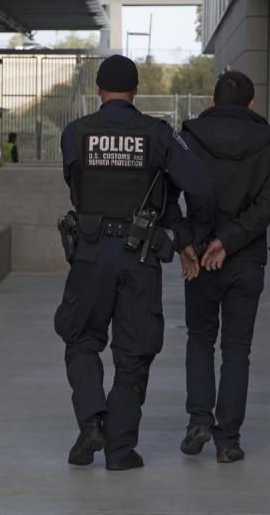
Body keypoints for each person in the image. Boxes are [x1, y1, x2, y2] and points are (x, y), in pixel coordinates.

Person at [54, 55, 214, 471]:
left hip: (89, 254)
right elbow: (198, 183)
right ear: (136, 90)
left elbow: (76, 186)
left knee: (81, 338)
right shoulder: (157, 134)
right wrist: (183, 237)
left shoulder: (75, 133)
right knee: (134, 352)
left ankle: (92, 421)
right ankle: (121, 452)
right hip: (139, 254)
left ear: (99, 90)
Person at [177, 71, 270, 463]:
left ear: (214, 100)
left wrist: (193, 241)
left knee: (200, 339)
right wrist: (232, 240)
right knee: (237, 350)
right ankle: (228, 442)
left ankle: (198, 421)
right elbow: (268, 206)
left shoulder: (191, 136)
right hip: (247, 260)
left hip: (202, 257)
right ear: (251, 104)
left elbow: (172, 193)